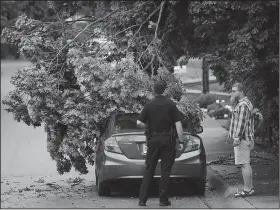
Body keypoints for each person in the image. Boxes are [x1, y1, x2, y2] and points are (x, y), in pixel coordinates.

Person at [136, 80, 184, 207]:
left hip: (153, 139)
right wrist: (181, 141)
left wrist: (148, 127)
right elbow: (178, 125)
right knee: (165, 170)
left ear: (154, 90)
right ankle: (163, 200)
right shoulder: (171, 105)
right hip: (168, 140)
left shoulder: (149, 105)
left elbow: (138, 123)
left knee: (149, 169)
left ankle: (142, 200)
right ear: (165, 90)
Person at [229, 82, 255, 197]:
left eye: (234, 91)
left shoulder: (243, 105)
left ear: (241, 91)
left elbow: (241, 124)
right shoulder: (242, 103)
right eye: (232, 90)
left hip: (242, 140)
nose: (232, 93)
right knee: (246, 164)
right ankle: (249, 188)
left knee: (244, 164)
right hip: (246, 139)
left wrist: (236, 138)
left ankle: (247, 189)